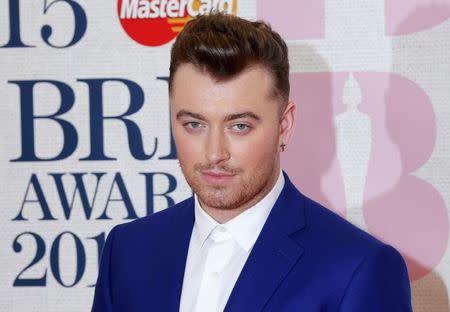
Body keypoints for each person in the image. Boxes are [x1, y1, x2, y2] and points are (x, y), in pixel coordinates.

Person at [92, 12, 412, 312]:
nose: (214, 153)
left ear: (283, 126)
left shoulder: (357, 268)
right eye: (194, 124)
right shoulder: (127, 251)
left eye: (239, 126)